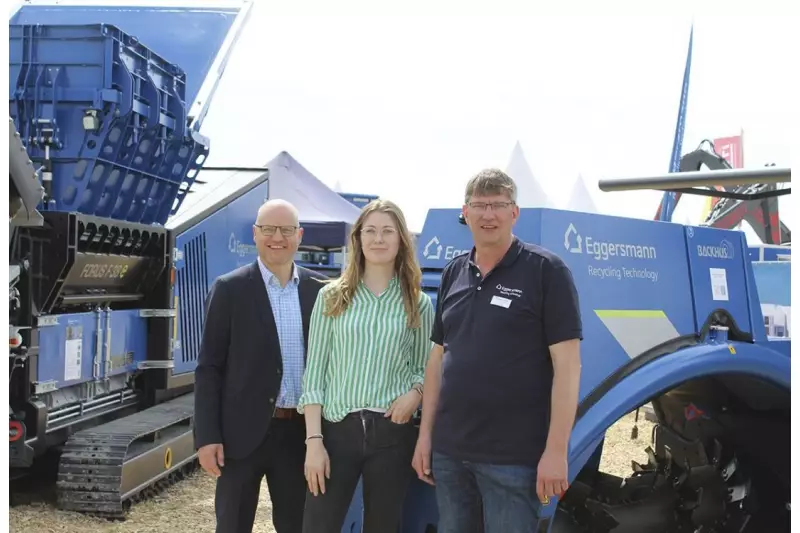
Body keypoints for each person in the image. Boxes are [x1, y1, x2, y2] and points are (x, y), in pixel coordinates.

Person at [411, 168, 583, 533]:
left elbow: (568, 367)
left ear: (514, 213)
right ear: (466, 212)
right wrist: (426, 436)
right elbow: (438, 359)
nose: (488, 215)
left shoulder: (546, 271)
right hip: (451, 453)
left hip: (513, 460)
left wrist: (556, 451)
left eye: (498, 205)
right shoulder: (453, 272)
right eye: (480, 206)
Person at [297, 199, 434, 533]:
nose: (378, 238)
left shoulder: (417, 302)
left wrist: (415, 394)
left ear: (401, 240)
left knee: (384, 526)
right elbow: (314, 374)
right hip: (336, 432)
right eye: (370, 231)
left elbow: (425, 368)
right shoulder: (332, 297)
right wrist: (314, 442)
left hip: (392, 432)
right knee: (318, 525)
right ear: (357, 239)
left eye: (388, 231)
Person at [194, 199, 328, 533]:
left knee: (298, 525)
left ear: (299, 235)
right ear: (255, 234)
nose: (277, 237)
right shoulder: (230, 289)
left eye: (285, 230)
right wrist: (207, 437)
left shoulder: (322, 291)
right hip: (241, 435)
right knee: (233, 525)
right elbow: (209, 367)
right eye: (269, 229)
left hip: (299, 434)